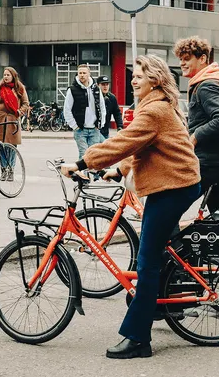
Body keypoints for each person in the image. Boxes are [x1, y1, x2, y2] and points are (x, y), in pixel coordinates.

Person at [60, 54, 200, 360]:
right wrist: (120, 170)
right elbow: (137, 145)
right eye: (134, 75)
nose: (134, 79)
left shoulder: (155, 110)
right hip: (175, 184)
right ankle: (169, 300)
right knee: (157, 252)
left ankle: (138, 338)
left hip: (174, 187)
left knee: (147, 262)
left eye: (139, 75)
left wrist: (83, 162)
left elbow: (122, 142)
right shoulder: (155, 107)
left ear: (155, 79)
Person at [175, 36, 219, 213]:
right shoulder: (211, 82)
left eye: (187, 59)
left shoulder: (207, 86)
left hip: (209, 163)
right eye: (180, 60)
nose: (182, 64)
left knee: (167, 205)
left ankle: (169, 242)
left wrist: (195, 136)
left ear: (202, 59)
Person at [0, 67, 29, 181]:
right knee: (0, 146)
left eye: (8, 75)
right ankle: (3, 169)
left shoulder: (19, 88)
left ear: (13, 76)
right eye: (4, 75)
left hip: (12, 120)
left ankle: (10, 170)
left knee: (11, 147)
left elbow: (26, 104)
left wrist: (19, 112)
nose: (5, 77)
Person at [63, 64, 106, 159]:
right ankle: (83, 174)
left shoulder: (96, 89)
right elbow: (67, 109)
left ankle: (94, 174)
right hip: (80, 130)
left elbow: (102, 107)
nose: (82, 75)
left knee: (94, 156)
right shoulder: (72, 90)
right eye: (80, 73)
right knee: (84, 156)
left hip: (94, 129)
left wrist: (100, 124)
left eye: (84, 73)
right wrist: (74, 126)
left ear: (89, 74)